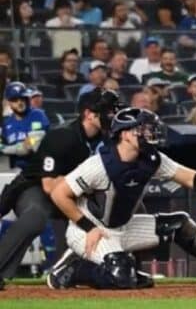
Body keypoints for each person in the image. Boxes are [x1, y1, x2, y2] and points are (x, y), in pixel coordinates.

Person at [47, 108, 196, 289]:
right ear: (125, 134)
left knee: (179, 224)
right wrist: (88, 226)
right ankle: (72, 269)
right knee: (121, 276)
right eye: (142, 129)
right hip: (89, 230)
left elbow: (188, 176)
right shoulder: (99, 165)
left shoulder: (151, 159)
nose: (149, 133)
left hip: (122, 227)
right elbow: (59, 194)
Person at [0, 90, 120, 290]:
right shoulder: (63, 136)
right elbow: (49, 185)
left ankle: (110, 269)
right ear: (89, 114)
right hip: (35, 188)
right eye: (107, 112)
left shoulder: (107, 138)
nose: (112, 116)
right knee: (35, 217)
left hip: (75, 191)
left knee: (113, 209)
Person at [2, 82, 50, 169]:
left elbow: (31, 144)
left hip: (37, 168)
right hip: (13, 171)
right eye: (15, 100)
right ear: (9, 102)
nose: (19, 102)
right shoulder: (6, 123)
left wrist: (4, 149)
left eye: (22, 98)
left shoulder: (37, 115)